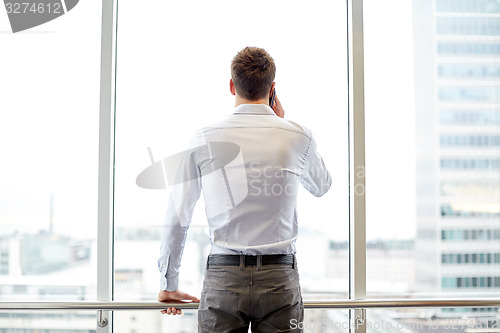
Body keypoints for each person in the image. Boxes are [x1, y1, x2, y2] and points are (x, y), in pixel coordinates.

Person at [158, 46, 331, 332]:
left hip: (223, 278)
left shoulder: (203, 138)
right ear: (272, 88)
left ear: (231, 85)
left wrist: (168, 283)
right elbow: (321, 186)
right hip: (280, 279)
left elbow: (178, 215)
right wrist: (284, 123)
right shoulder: (299, 136)